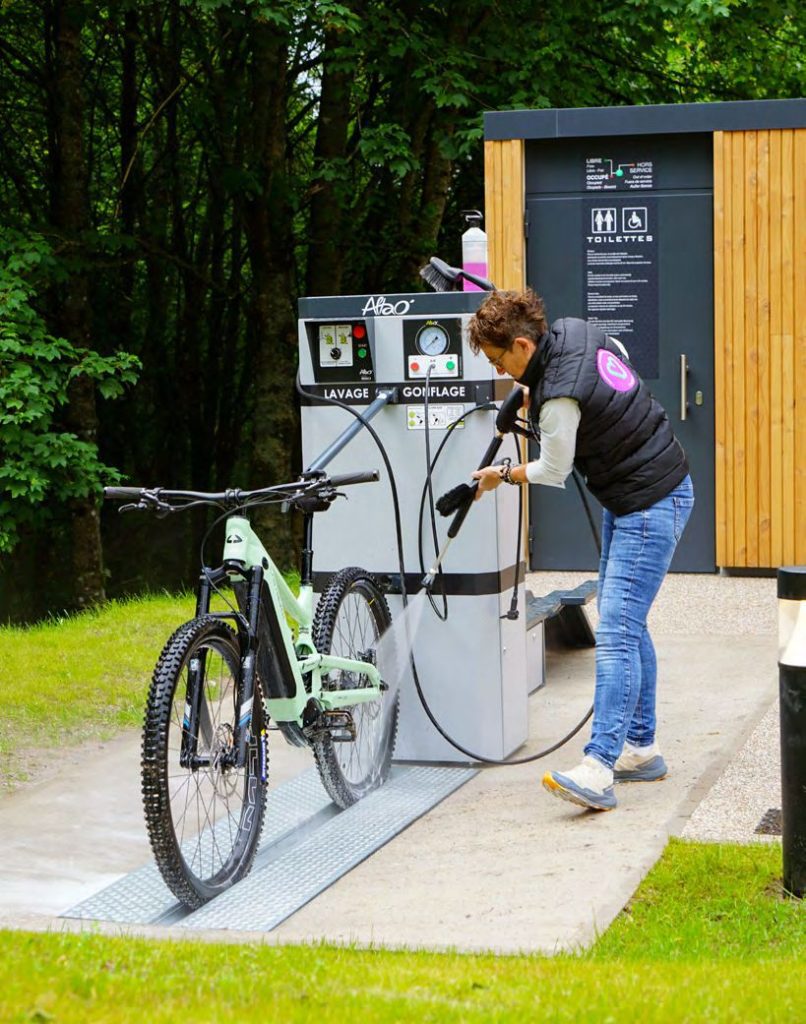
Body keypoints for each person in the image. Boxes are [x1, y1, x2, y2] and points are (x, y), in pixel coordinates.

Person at [468, 289, 694, 812]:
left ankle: (598, 767)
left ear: (523, 344)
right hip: (639, 491)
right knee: (629, 622)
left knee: (615, 629)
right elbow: (609, 366)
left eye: (502, 361)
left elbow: (553, 469)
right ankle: (642, 749)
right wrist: (536, 392)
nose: (503, 373)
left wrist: (502, 475)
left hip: (649, 501)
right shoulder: (572, 332)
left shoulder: (558, 397)